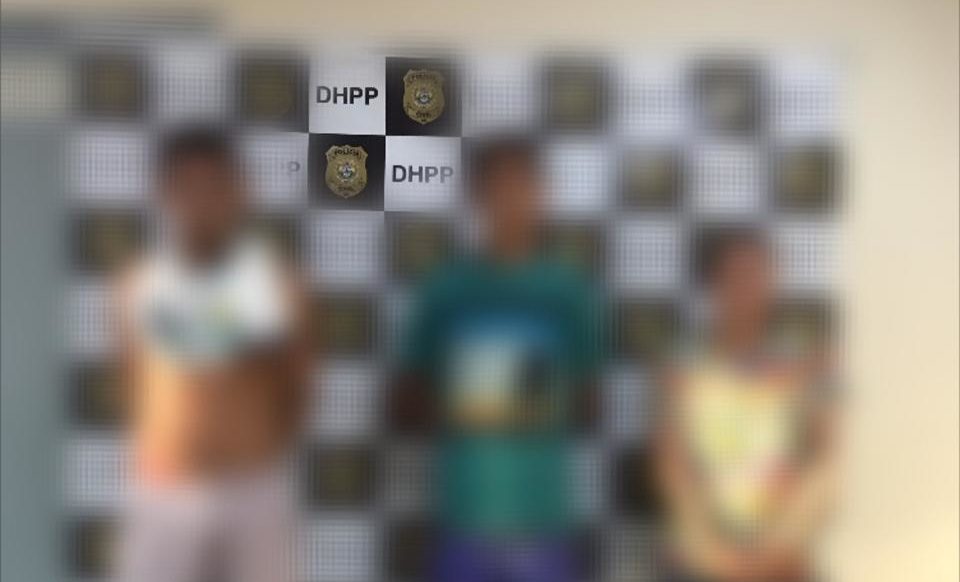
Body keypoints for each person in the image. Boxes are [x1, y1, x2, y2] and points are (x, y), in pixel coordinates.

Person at [393, 137, 603, 582]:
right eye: (498, 187)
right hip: (463, 519)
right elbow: (403, 404)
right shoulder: (446, 289)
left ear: (541, 195)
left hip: (542, 521)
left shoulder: (568, 292)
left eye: (521, 186)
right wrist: (501, 395)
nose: (510, 201)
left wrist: (490, 393)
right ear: (478, 197)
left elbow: (590, 407)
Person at [112, 126, 313, 582]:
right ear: (165, 194)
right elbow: (132, 382)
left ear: (240, 191)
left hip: (253, 491)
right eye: (188, 187)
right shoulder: (137, 285)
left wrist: (245, 452)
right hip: (165, 491)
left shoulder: (280, 286)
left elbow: (297, 389)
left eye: (215, 186)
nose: (202, 202)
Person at [656, 230, 838, 582]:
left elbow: (827, 459)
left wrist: (777, 546)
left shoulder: (807, 361)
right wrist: (713, 553)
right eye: (736, 275)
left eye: (759, 273)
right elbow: (671, 465)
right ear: (713, 284)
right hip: (700, 558)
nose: (748, 287)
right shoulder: (681, 366)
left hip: (782, 558)